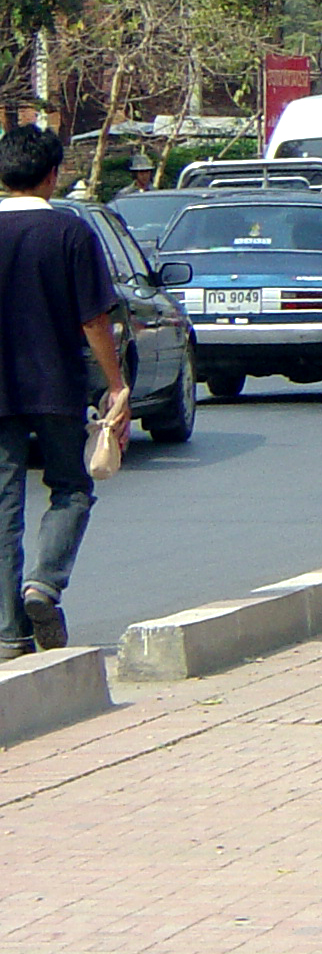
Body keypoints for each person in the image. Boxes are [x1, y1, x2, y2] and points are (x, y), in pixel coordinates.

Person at [0, 123, 126, 655]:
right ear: (52, 176)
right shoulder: (72, 233)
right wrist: (116, 385)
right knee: (71, 488)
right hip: (56, 384)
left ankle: (8, 633)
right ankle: (44, 584)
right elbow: (94, 320)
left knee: (3, 504)